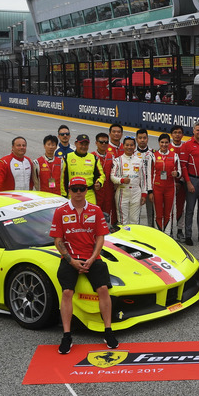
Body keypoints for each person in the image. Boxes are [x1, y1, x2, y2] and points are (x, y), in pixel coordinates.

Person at [51, 176, 117, 353]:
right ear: (69, 190)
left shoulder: (95, 210)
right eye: (75, 189)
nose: (78, 192)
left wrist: (92, 258)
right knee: (67, 292)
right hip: (70, 259)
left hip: (92, 258)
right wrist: (71, 261)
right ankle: (67, 335)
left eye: (82, 188)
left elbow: (100, 237)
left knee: (103, 289)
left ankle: (108, 331)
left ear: (86, 190)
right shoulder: (60, 212)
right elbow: (58, 241)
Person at [111, 137, 149, 226]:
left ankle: (133, 240)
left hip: (136, 193)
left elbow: (143, 180)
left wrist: (144, 194)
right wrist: (122, 180)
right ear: (123, 146)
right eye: (127, 145)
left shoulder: (139, 161)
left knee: (134, 221)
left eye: (131, 145)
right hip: (122, 192)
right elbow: (112, 177)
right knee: (122, 221)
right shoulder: (117, 160)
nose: (129, 147)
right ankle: (123, 240)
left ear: (134, 146)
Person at [61, 134, 105, 204]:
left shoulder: (94, 158)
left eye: (86, 145)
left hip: (89, 194)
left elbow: (101, 175)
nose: (83, 147)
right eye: (81, 144)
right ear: (76, 144)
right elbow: (63, 178)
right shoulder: (67, 158)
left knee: (91, 214)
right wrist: (64, 195)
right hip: (73, 193)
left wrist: (99, 182)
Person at [150, 133, 181, 232]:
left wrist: (177, 173)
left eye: (166, 142)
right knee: (158, 214)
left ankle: (167, 235)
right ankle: (158, 235)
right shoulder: (153, 156)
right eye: (162, 142)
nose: (164, 144)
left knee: (168, 213)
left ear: (169, 143)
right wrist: (150, 191)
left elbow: (180, 172)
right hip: (157, 188)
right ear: (159, 143)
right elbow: (149, 174)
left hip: (170, 188)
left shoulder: (175, 156)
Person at [93, 132, 116, 221]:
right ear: (96, 143)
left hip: (108, 191)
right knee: (95, 214)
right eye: (101, 142)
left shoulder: (111, 156)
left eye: (106, 142)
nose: (104, 144)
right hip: (96, 191)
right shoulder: (92, 156)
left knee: (106, 215)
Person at [135, 128, 155, 227]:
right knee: (136, 213)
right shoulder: (132, 153)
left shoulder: (154, 153)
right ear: (136, 139)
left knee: (151, 212)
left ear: (148, 139)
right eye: (140, 138)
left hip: (150, 188)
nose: (142, 140)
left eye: (144, 138)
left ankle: (151, 231)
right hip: (137, 188)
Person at [170, 125, 187, 239]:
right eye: (175, 132)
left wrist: (181, 181)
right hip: (169, 183)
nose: (177, 134)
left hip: (182, 183)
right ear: (172, 134)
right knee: (169, 207)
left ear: (182, 134)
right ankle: (169, 229)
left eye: (179, 132)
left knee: (181, 207)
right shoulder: (167, 146)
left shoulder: (186, 147)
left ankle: (180, 230)